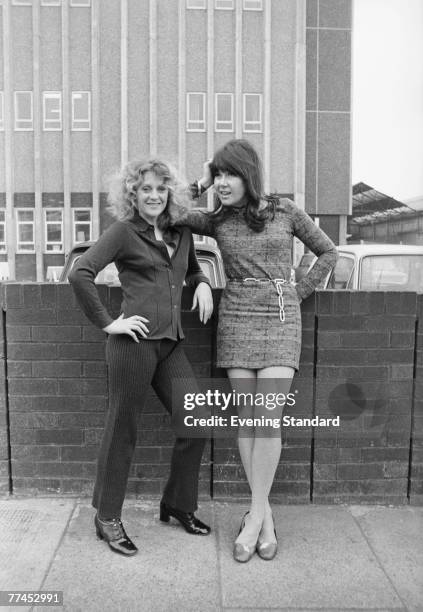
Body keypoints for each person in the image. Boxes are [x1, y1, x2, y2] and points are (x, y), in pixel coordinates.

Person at [170, 139, 338, 562]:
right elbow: (171, 213)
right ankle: (262, 515)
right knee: (247, 417)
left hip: (281, 320)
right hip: (237, 318)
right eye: (218, 175)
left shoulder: (286, 211)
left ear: (249, 175)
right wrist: (201, 180)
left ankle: (256, 514)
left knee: (267, 418)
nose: (222, 183)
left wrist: (297, 291)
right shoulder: (218, 219)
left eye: (229, 174)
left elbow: (328, 252)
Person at [69, 159, 214, 556]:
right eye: (145, 189)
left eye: (160, 189)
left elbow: (191, 267)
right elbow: (81, 272)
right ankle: (107, 517)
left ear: (170, 193)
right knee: (123, 431)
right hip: (132, 346)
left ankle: (177, 504)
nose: (153, 196)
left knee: (197, 424)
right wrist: (107, 322)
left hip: (170, 345)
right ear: (133, 194)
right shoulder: (123, 232)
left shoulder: (180, 228)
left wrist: (200, 282)